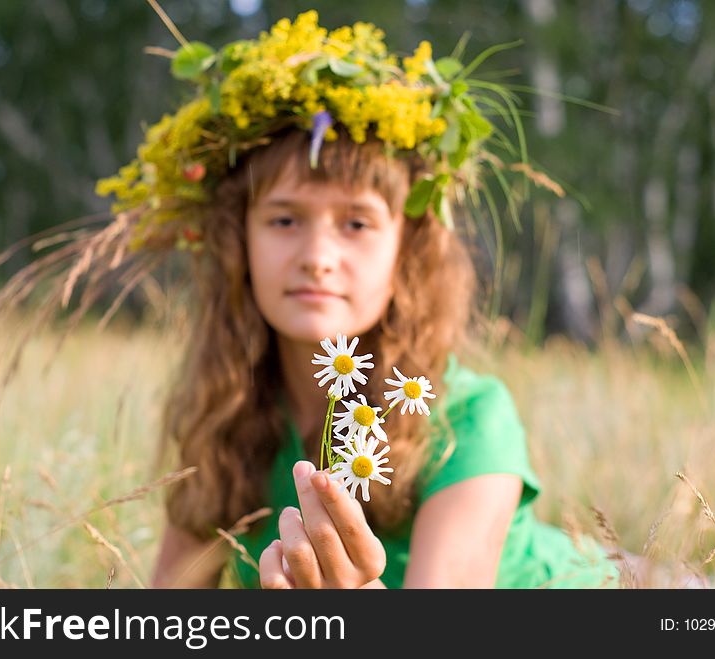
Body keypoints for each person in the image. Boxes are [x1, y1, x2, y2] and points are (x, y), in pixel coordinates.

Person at [89, 11, 620, 589]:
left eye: (357, 224)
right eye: (285, 219)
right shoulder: (226, 416)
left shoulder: (467, 421)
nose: (318, 256)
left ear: (406, 253)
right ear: (238, 242)